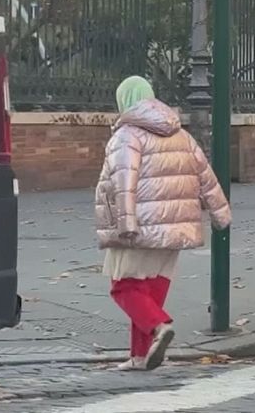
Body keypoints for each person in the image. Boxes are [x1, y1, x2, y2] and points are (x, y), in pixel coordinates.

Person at [94, 76, 232, 372]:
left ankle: (158, 326)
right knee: (149, 291)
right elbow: (205, 177)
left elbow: (123, 183)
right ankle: (141, 355)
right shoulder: (181, 134)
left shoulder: (127, 135)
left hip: (139, 225)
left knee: (124, 288)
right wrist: (221, 214)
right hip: (176, 228)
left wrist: (126, 224)